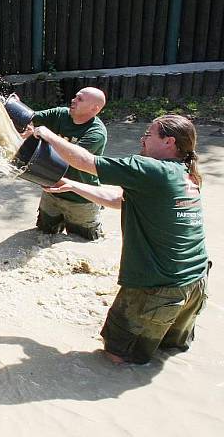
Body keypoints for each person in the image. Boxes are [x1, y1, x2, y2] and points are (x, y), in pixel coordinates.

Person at [34, 114, 210, 365]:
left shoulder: (152, 169)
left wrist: (47, 135)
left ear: (169, 142)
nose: (143, 138)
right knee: (166, 354)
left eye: (149, 134)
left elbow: (87, 161)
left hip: (156, 287)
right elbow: (121, 201)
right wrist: (72, 185)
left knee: (115, 360)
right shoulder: (186, 173)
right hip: (195, 282)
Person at [16, 87, 108, 240]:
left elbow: (72, 159)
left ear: (94, 108)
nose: (73, 100)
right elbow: (29, 118)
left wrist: (45, 135)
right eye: (75, 96)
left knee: (86, 242)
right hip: (51, 190)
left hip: (81, 199)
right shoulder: (60, 114)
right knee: (43, 235)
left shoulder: (96, 133)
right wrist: (15, 111)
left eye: (80, 99)